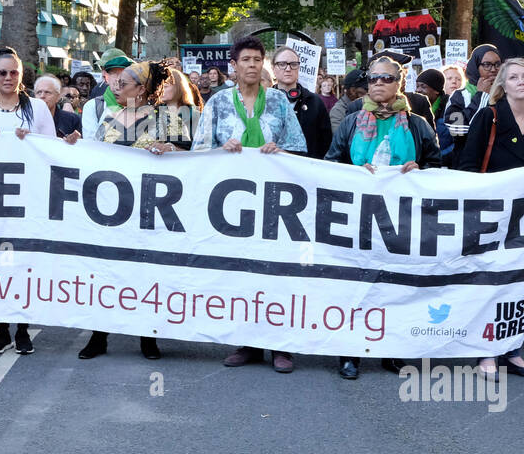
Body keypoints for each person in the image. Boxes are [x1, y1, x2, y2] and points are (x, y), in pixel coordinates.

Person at [192, 37, 306, 373]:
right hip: (233, 204)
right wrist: (220, 148)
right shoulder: (218, 103)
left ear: (264, 64)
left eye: (258, 59)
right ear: (234, 65)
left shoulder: (280, 102)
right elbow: (200, 152)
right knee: (241, 273)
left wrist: (279, 150)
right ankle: (248, 343)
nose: (252, 65)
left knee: (277, 273)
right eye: (246, 59)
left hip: (276, 203)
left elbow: (299, 148)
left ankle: (280, 346)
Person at [327, 56, 442, 381]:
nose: (378, 83)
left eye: (386, 78)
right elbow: (330, 162)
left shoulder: (418, 124)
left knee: (395, 285)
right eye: (373, 78)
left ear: (399, 83)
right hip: (357, 217)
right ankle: (350, 353)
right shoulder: (351, 120)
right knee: (355, 284)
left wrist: (420, 170)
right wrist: (353, 172)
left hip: (402, 219)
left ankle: (392, 350)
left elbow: (438, 167)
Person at [77, 60, 184, 361]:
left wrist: (172, 150)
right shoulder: (110, 117)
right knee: (107, 270)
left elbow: (196, 159)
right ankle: (99, 336)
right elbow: (92, 156)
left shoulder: (173, 117)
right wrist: (73, 146)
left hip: (154, 211)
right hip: (114, 209)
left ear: (143, 89)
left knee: (149, 272)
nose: (117, 86)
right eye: (117, 81)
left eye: (124, 83)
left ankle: (148, 337)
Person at [456, 58, 524, 381]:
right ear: (504, 85)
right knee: (491, 283)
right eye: (513, 77)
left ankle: (511, 350)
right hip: (489, 216)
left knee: (520, 284)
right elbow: (468, 164)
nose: (521, 81)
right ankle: (485, 351)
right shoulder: (489, 117)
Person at [0, 49, 55, 358]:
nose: (8, 78)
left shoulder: (38, 109)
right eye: (2, 73)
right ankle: (1, 330)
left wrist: (32, 141)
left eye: (13, 72)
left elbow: (52, 152)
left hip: (27, 201)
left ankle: (22, 329)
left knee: (24, 264)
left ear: (21, 75)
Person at [272, 47, 332, 159]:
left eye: (293, 64)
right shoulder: (263, 102)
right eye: (282, 64)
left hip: (307, 170)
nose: (288, 69)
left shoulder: (315, 102)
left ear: (299, 67)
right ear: (273, 68)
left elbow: (326, 143)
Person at [444, 45, 501, 151]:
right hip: (468, 162)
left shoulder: (507, 93)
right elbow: (457, 130)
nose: (493, 69)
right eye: (487, 65)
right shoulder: (459, 96)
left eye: (497, 64)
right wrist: (482, 96)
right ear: (475, 66)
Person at [80, 48, 133, 141]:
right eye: (115, 73)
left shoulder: (146, 107)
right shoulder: (93, 106)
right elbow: (92, 144)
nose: (120, 80)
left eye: (125, 73)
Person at [34, 75, 82, 141]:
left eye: (47, 92)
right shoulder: (25, 118)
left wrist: (73, 141)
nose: (42, 96)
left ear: (58, 97)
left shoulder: (72, 120)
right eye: (39, 92)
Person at [329, 68, 369, 135]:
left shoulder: (369, 106)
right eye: (366, 89)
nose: (369, 92)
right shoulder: (338, 111)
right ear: (352, 90)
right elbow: (340, 137)